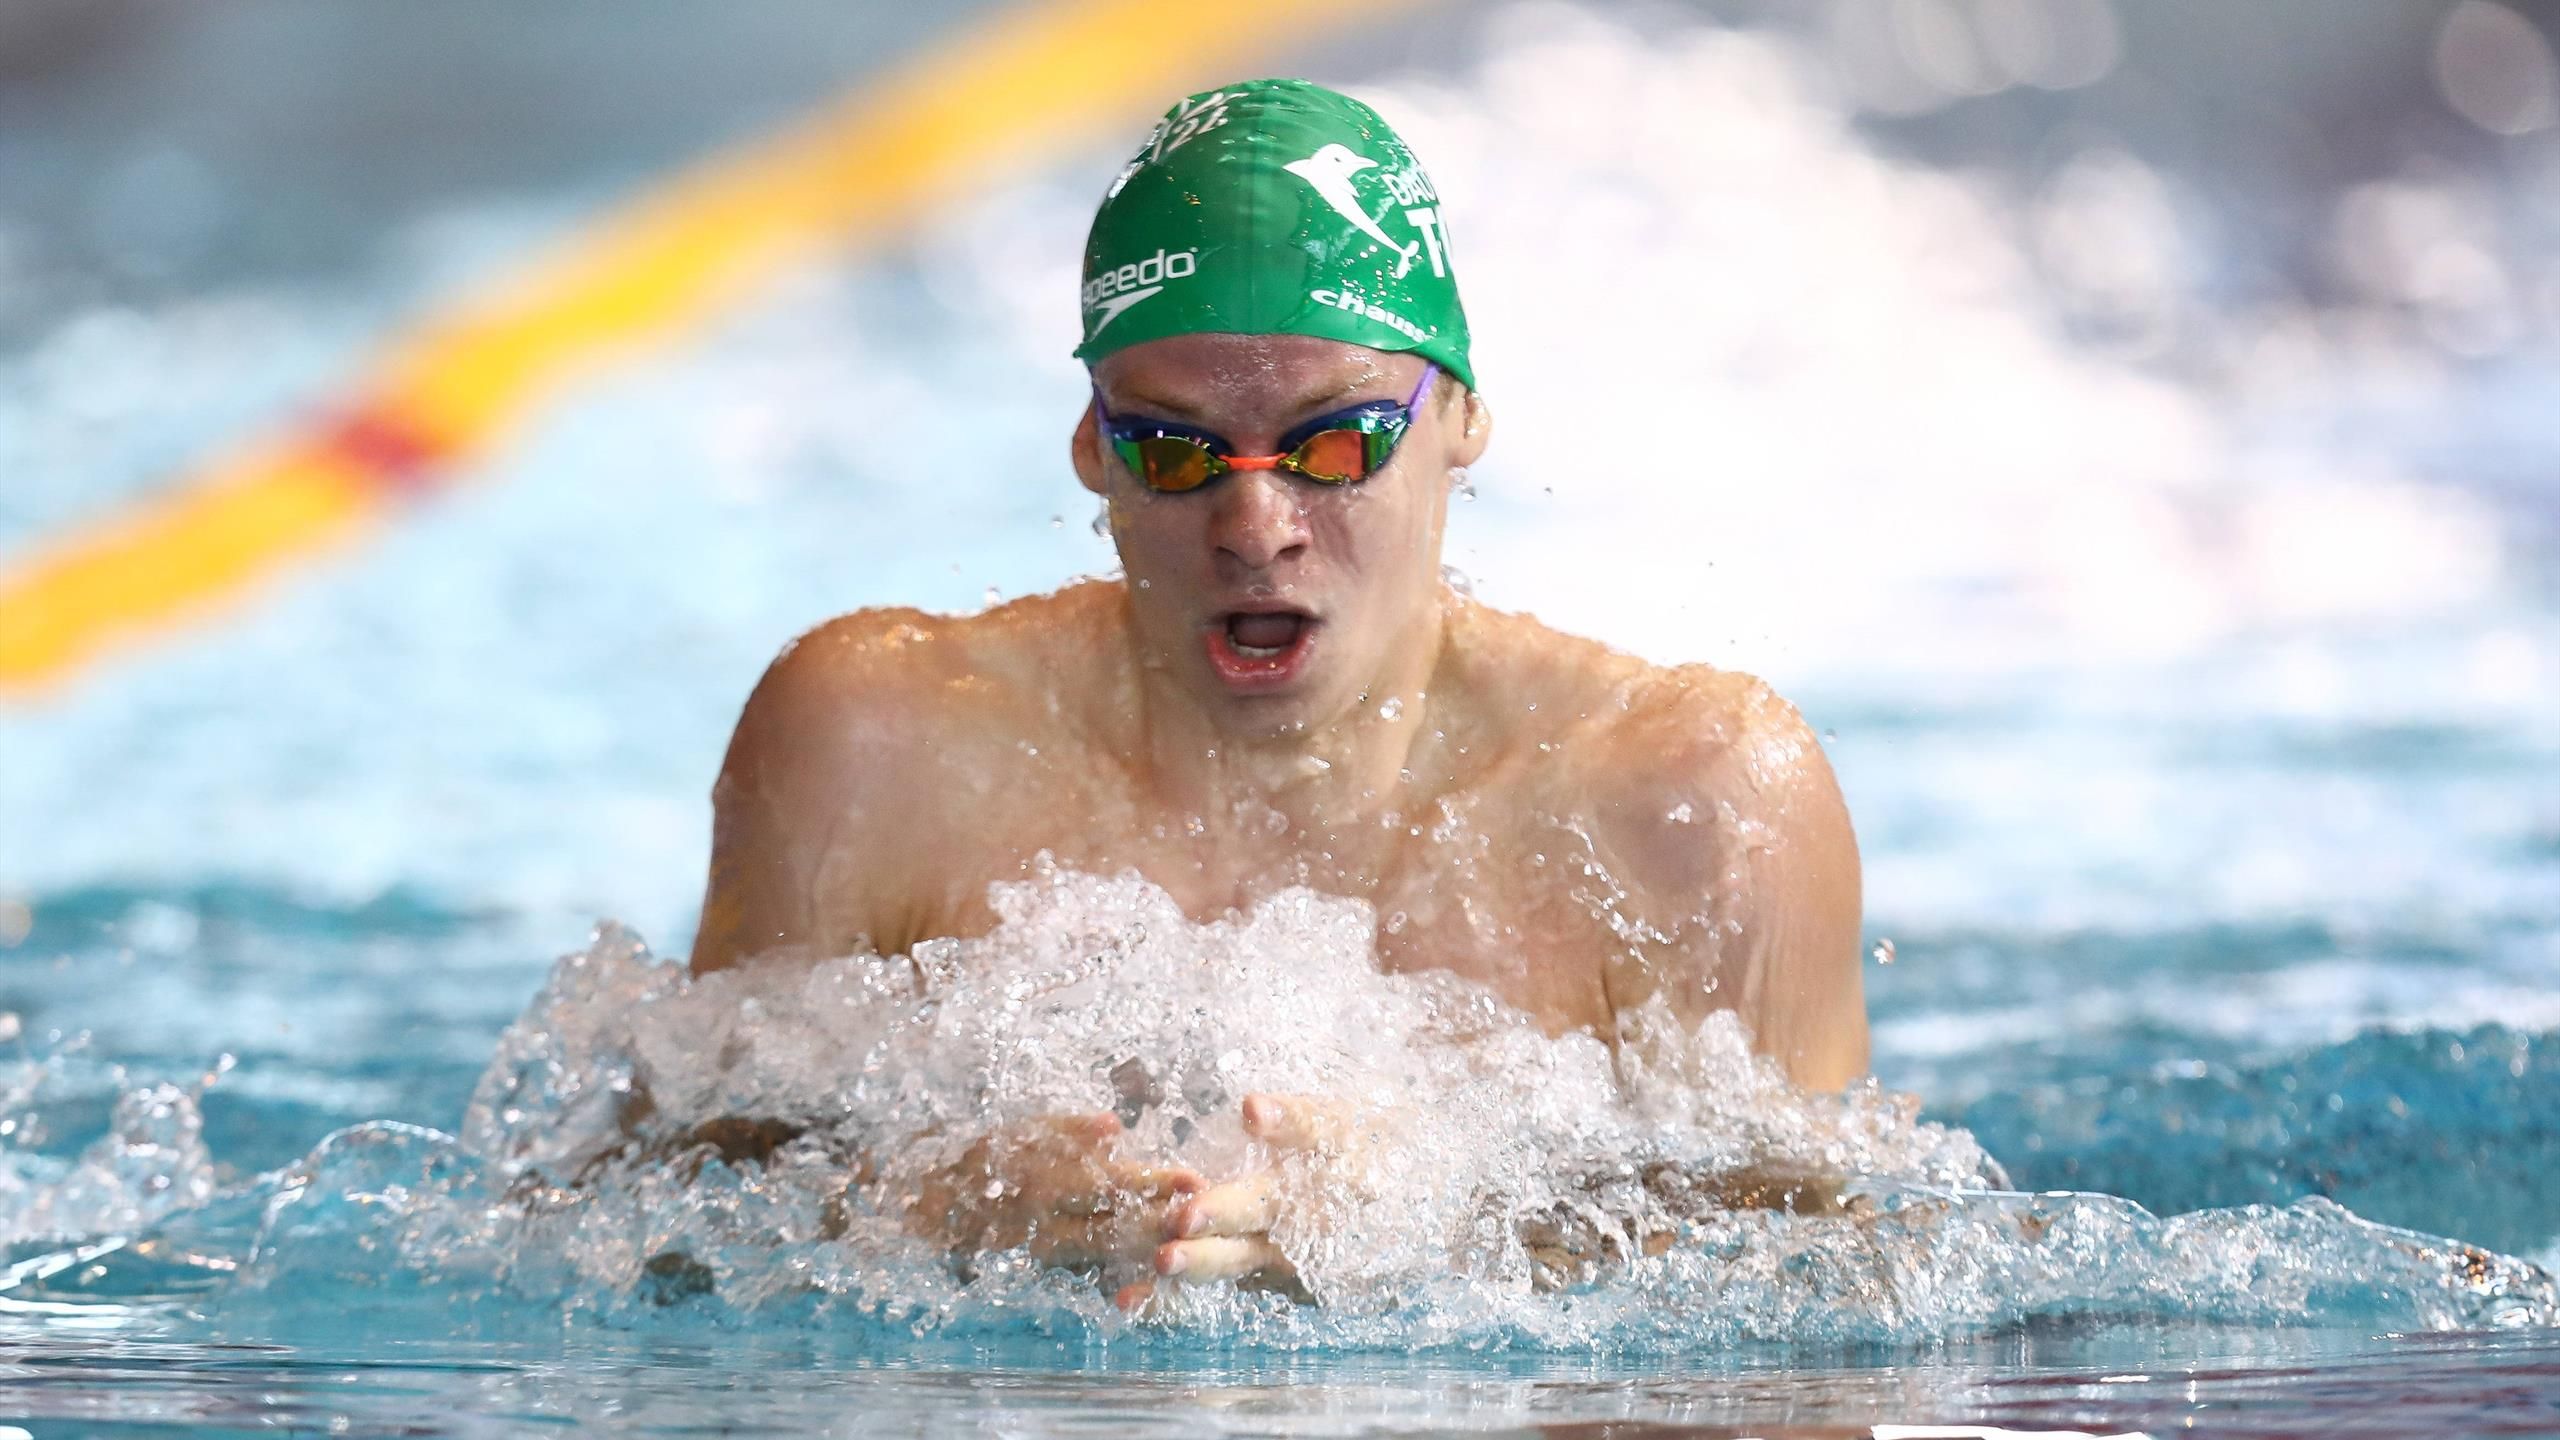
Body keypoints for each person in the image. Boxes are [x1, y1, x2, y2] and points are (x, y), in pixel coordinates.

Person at [687, 78, 1865, 1308]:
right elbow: (646, 1223)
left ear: (1459, 416)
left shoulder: (1689, 802)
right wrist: (927, 1209)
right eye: (1175, 451)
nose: (1255, 529)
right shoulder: (878, 745)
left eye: (1337, 444)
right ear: (1092, 446)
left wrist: (1450, 1230)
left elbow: (1828, 1289)